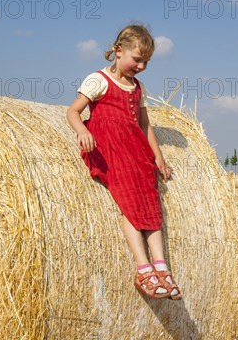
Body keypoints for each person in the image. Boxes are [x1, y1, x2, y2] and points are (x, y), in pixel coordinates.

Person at [66, 24, 181, 300]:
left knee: (151, 203)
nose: (141, 66)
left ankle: (161, 267)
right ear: (118, 52)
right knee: (130, 204)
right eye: (137, 59)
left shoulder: (138, 88)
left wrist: (159, 157)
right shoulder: (98, 80)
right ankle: (143, 268)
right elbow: (73, 111)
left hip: (135, 150)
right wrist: (82, 130)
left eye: (146, 62)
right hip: (109, 149)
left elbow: (145, 125)